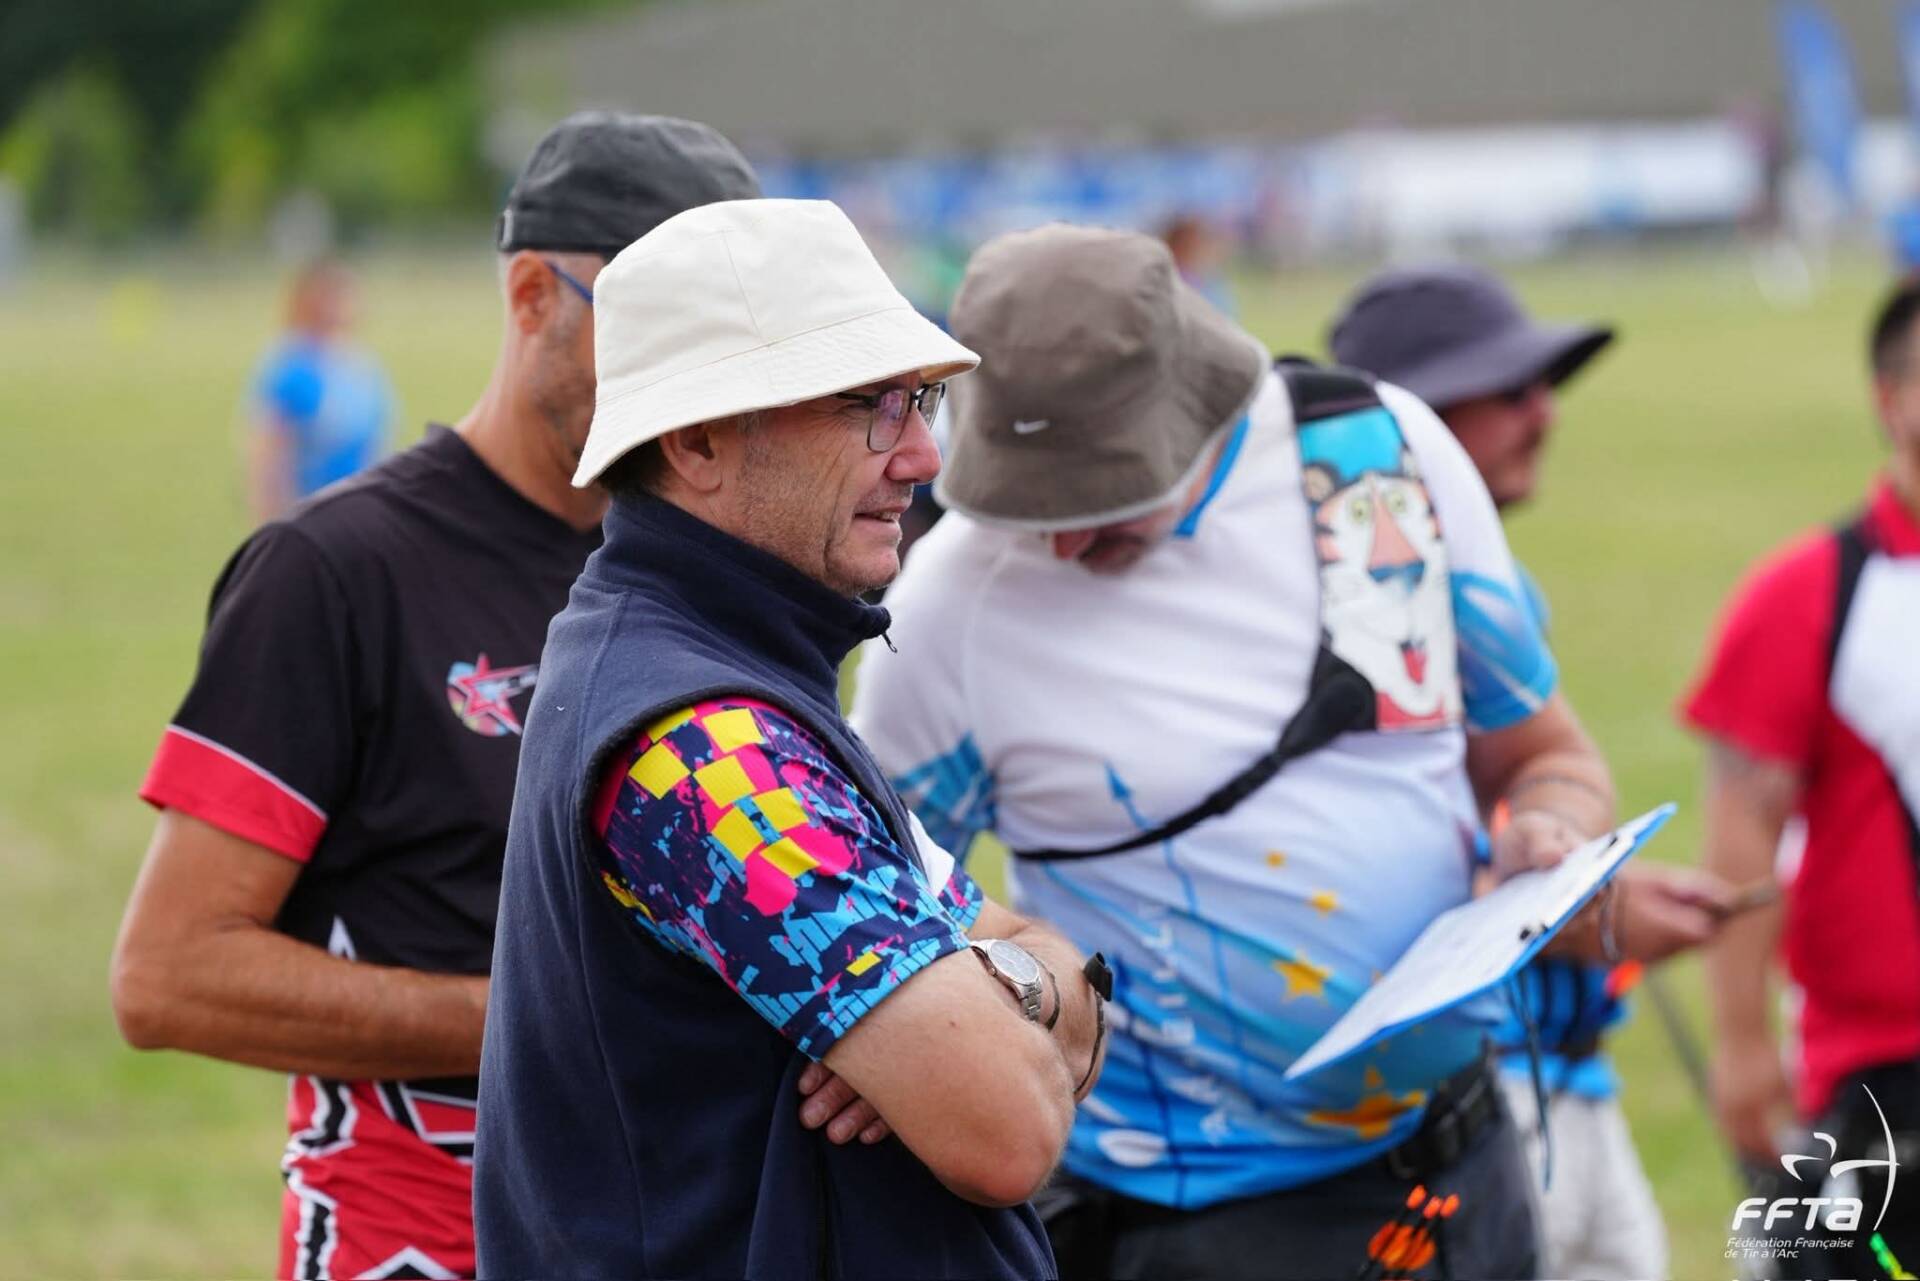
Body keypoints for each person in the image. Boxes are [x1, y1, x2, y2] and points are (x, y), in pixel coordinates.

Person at [851, 225, 1648, 1280]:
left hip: (1472, 1166)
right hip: (1201, 1232)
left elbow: (1549, 756)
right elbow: (873, 916)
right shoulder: (948, 610)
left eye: (1102, 501)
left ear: (1202, 406)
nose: (1065, 542)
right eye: (1032, 507)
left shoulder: (1379, 462)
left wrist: (1551, 827)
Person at [110, 113, 761, 1281]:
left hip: (682, 1224)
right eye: (655, 330)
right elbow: (170, 975)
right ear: (532, 296)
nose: (691, 387)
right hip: (420, 1237)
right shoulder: (335, 572)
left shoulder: (718, 565)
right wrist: (553, 1017)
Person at [474, 198, 1107, 1281]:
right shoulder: (708, 749)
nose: (922, 455)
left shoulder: (727, 679)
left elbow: (1039, 968)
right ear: (698, 441)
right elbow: (1009, 1129)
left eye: (921, 401)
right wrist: (989, 1018)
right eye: (870, 407)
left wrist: (998, 988)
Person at [1330, 261, 1730, 1281]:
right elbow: (1379, 870)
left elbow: (1508, 818)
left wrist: (1601, 895)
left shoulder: (1503, 588)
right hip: (1464, 1101)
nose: (1545, 413)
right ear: (1409, 424)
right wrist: (1595, 918)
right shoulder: (1356, 615)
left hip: (1571, 1080)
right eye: (1509, 390)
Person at [1679, 276, 1920, 1274]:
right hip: (1884, 1073)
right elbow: (1743, 825)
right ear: (1890, 399)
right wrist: (1741, 1044)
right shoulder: (1810, 593)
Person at [246, 260, 393, 521]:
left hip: (359, 507)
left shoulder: (359, 361)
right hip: (309, 511)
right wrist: (273, 518)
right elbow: (268, 453)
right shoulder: (291, 364)